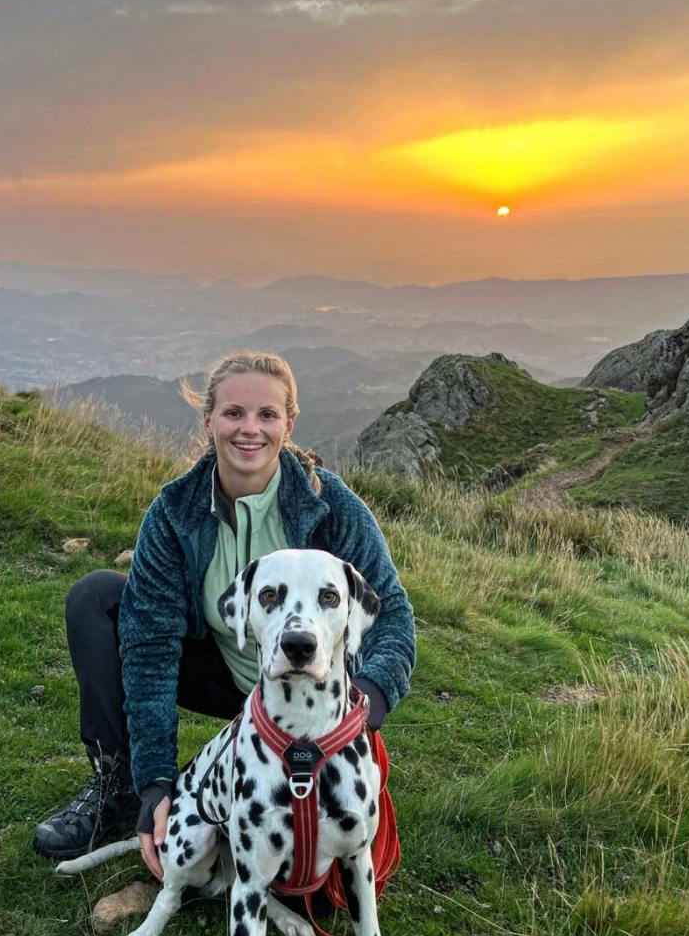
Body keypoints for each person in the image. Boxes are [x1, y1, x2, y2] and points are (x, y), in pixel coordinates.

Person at [32, 352, 415, 876]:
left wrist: (365, 706)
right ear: (208, 419)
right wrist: (155, 782)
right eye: (233, 413)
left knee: (314, 891)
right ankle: (117, 790)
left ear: (289, 424)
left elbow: (391, 612)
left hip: (314, 698)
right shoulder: (175, 512)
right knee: (96, 598)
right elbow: (149, 646)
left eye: (267, 415)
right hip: (225, 678)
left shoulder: (332, 506)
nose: (249, 429)